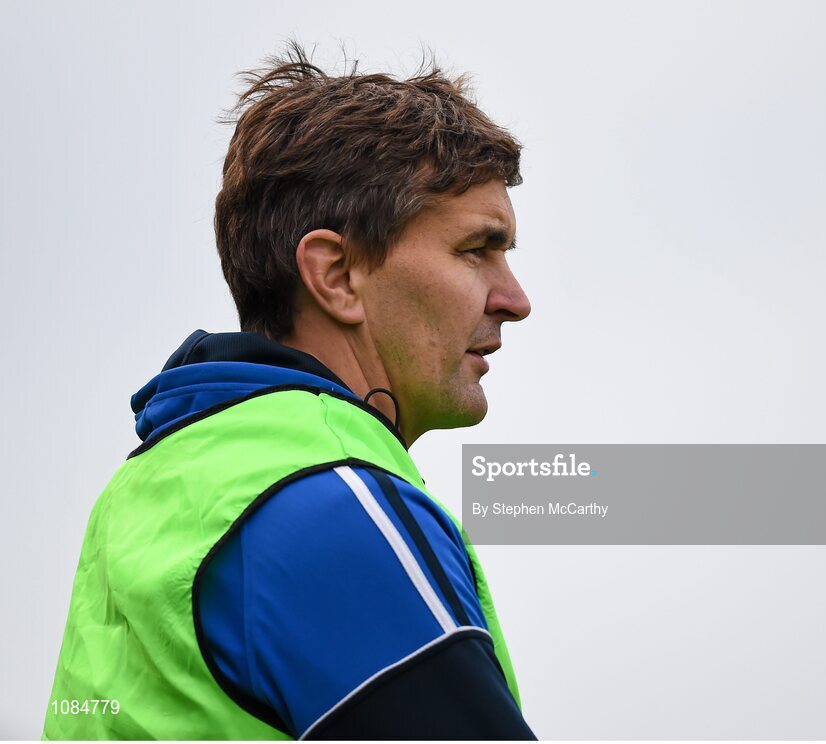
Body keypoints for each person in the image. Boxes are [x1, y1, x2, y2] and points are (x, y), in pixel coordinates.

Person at [44, 42, 536, 740]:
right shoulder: (327, 502)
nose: (515, 300)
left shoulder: (154, 490)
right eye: (475, 250)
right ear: (335, 276)